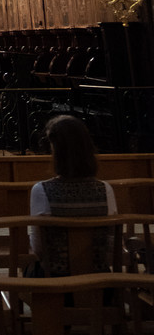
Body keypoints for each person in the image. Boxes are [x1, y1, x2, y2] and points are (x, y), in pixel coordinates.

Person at [28, 114, 116, 276]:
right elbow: (110, 243)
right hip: (99, 283)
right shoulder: (106, 189)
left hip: (55, 285)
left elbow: (39, 248)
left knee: (28, 268)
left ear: (56, 152)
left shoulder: (41, 190)